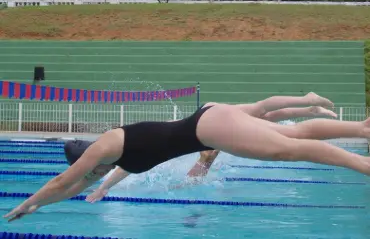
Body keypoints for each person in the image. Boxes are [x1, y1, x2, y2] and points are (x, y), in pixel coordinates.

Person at [5, 92, 370, 222]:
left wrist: (27, 203)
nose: (90, 175)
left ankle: (364, 165)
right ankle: (361, 129)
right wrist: (43, 207)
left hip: (207, 128)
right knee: (291, 134)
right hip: (208, 121)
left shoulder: (104, 146)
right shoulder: (115, 161)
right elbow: (72, 188)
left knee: (287, 149)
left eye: (86, 171)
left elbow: (62, 182)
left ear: (84, 159)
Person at [86, 103, 336, 203]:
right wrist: (104, 187)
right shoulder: (209, 131)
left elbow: (272, 112)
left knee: (287, 134)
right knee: (188, 181)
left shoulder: (228, 125)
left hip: (208, 149)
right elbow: (132, 164)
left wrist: (309, 107)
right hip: (200, 155)